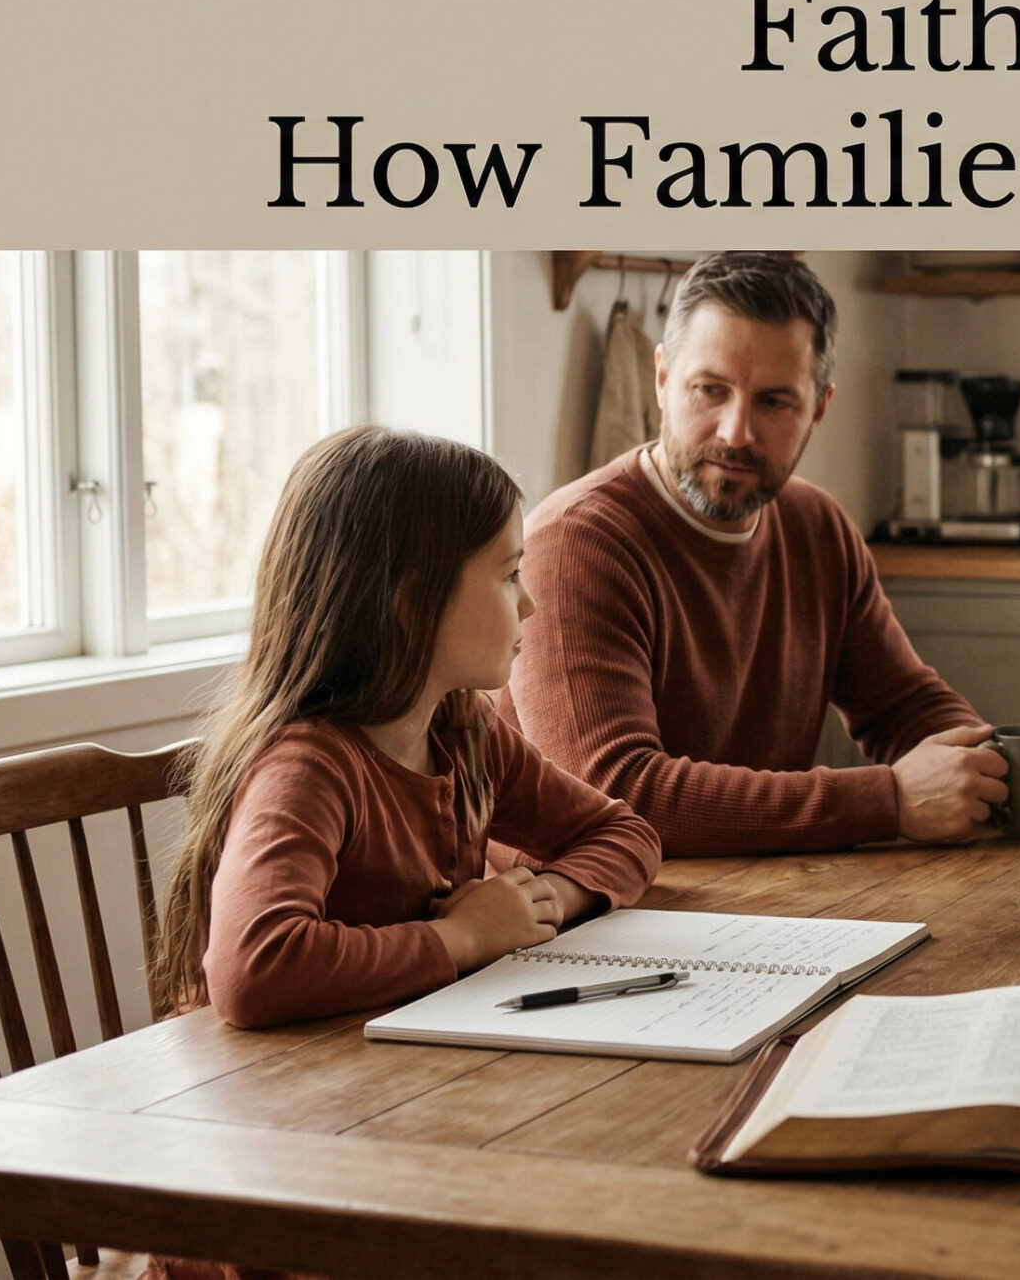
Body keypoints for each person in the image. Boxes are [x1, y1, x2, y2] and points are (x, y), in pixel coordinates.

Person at [153, 426, 662, 1032]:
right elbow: (252, 970)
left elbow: (624, 833)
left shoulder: (464, 730)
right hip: (273, 1079)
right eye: (509, 575)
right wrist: (463, 937)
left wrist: (541, 901)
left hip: (403, 1053)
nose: (529, 604)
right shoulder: (308, 766)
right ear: (411, 599)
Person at [503, 251, 1010, 856]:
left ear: (818, 408)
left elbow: (902, 706)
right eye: (709, 390)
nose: (735, 432)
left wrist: (999, 765)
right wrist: (888, 800)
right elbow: (615, 794)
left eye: (773, 401)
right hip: (577, 903)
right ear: (662, 379)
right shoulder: (574, 544)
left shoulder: (817, 526)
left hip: (756, 893)